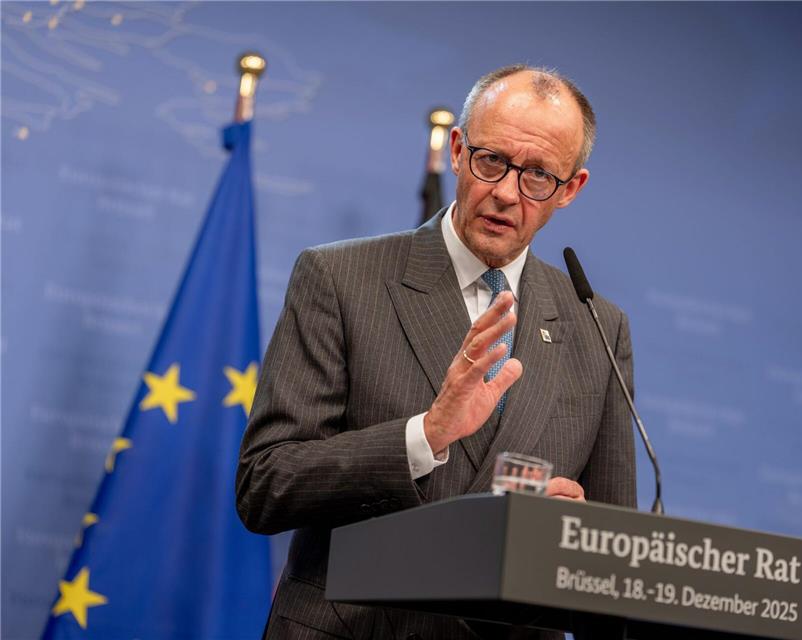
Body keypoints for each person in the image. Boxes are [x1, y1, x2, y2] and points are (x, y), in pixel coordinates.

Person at [236, 64, 637, 640]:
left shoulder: (598, 326)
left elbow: (612, 569)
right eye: (491, 160)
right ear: (456, 150)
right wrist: (425, 436)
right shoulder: (339, 278)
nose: (504, 192)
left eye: (538, 176)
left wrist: (566, 537)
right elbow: (265, 485)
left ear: (571, 189)